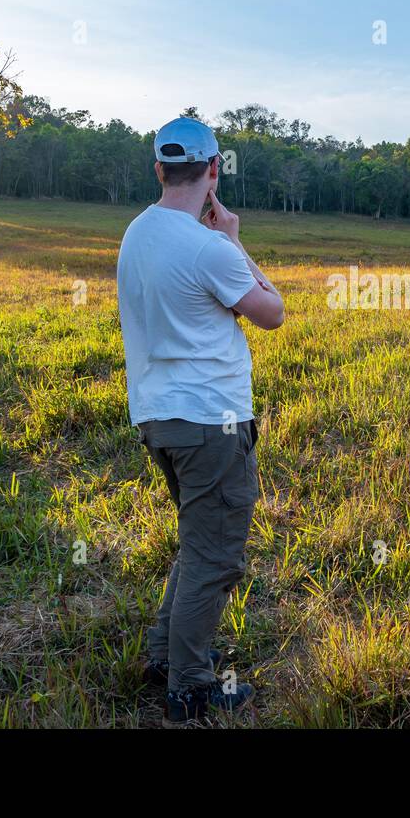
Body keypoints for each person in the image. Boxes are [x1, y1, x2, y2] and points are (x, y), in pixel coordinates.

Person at [117, 115, 285, 722]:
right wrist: (235, 238)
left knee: (197, 544)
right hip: (210, 422)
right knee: (216, 557)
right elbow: (273, 313)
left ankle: (165, 655)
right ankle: (189, 686)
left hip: (158, 418)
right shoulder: (210, 247)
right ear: (213, 171)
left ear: (159, 170)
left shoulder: (136, 232)